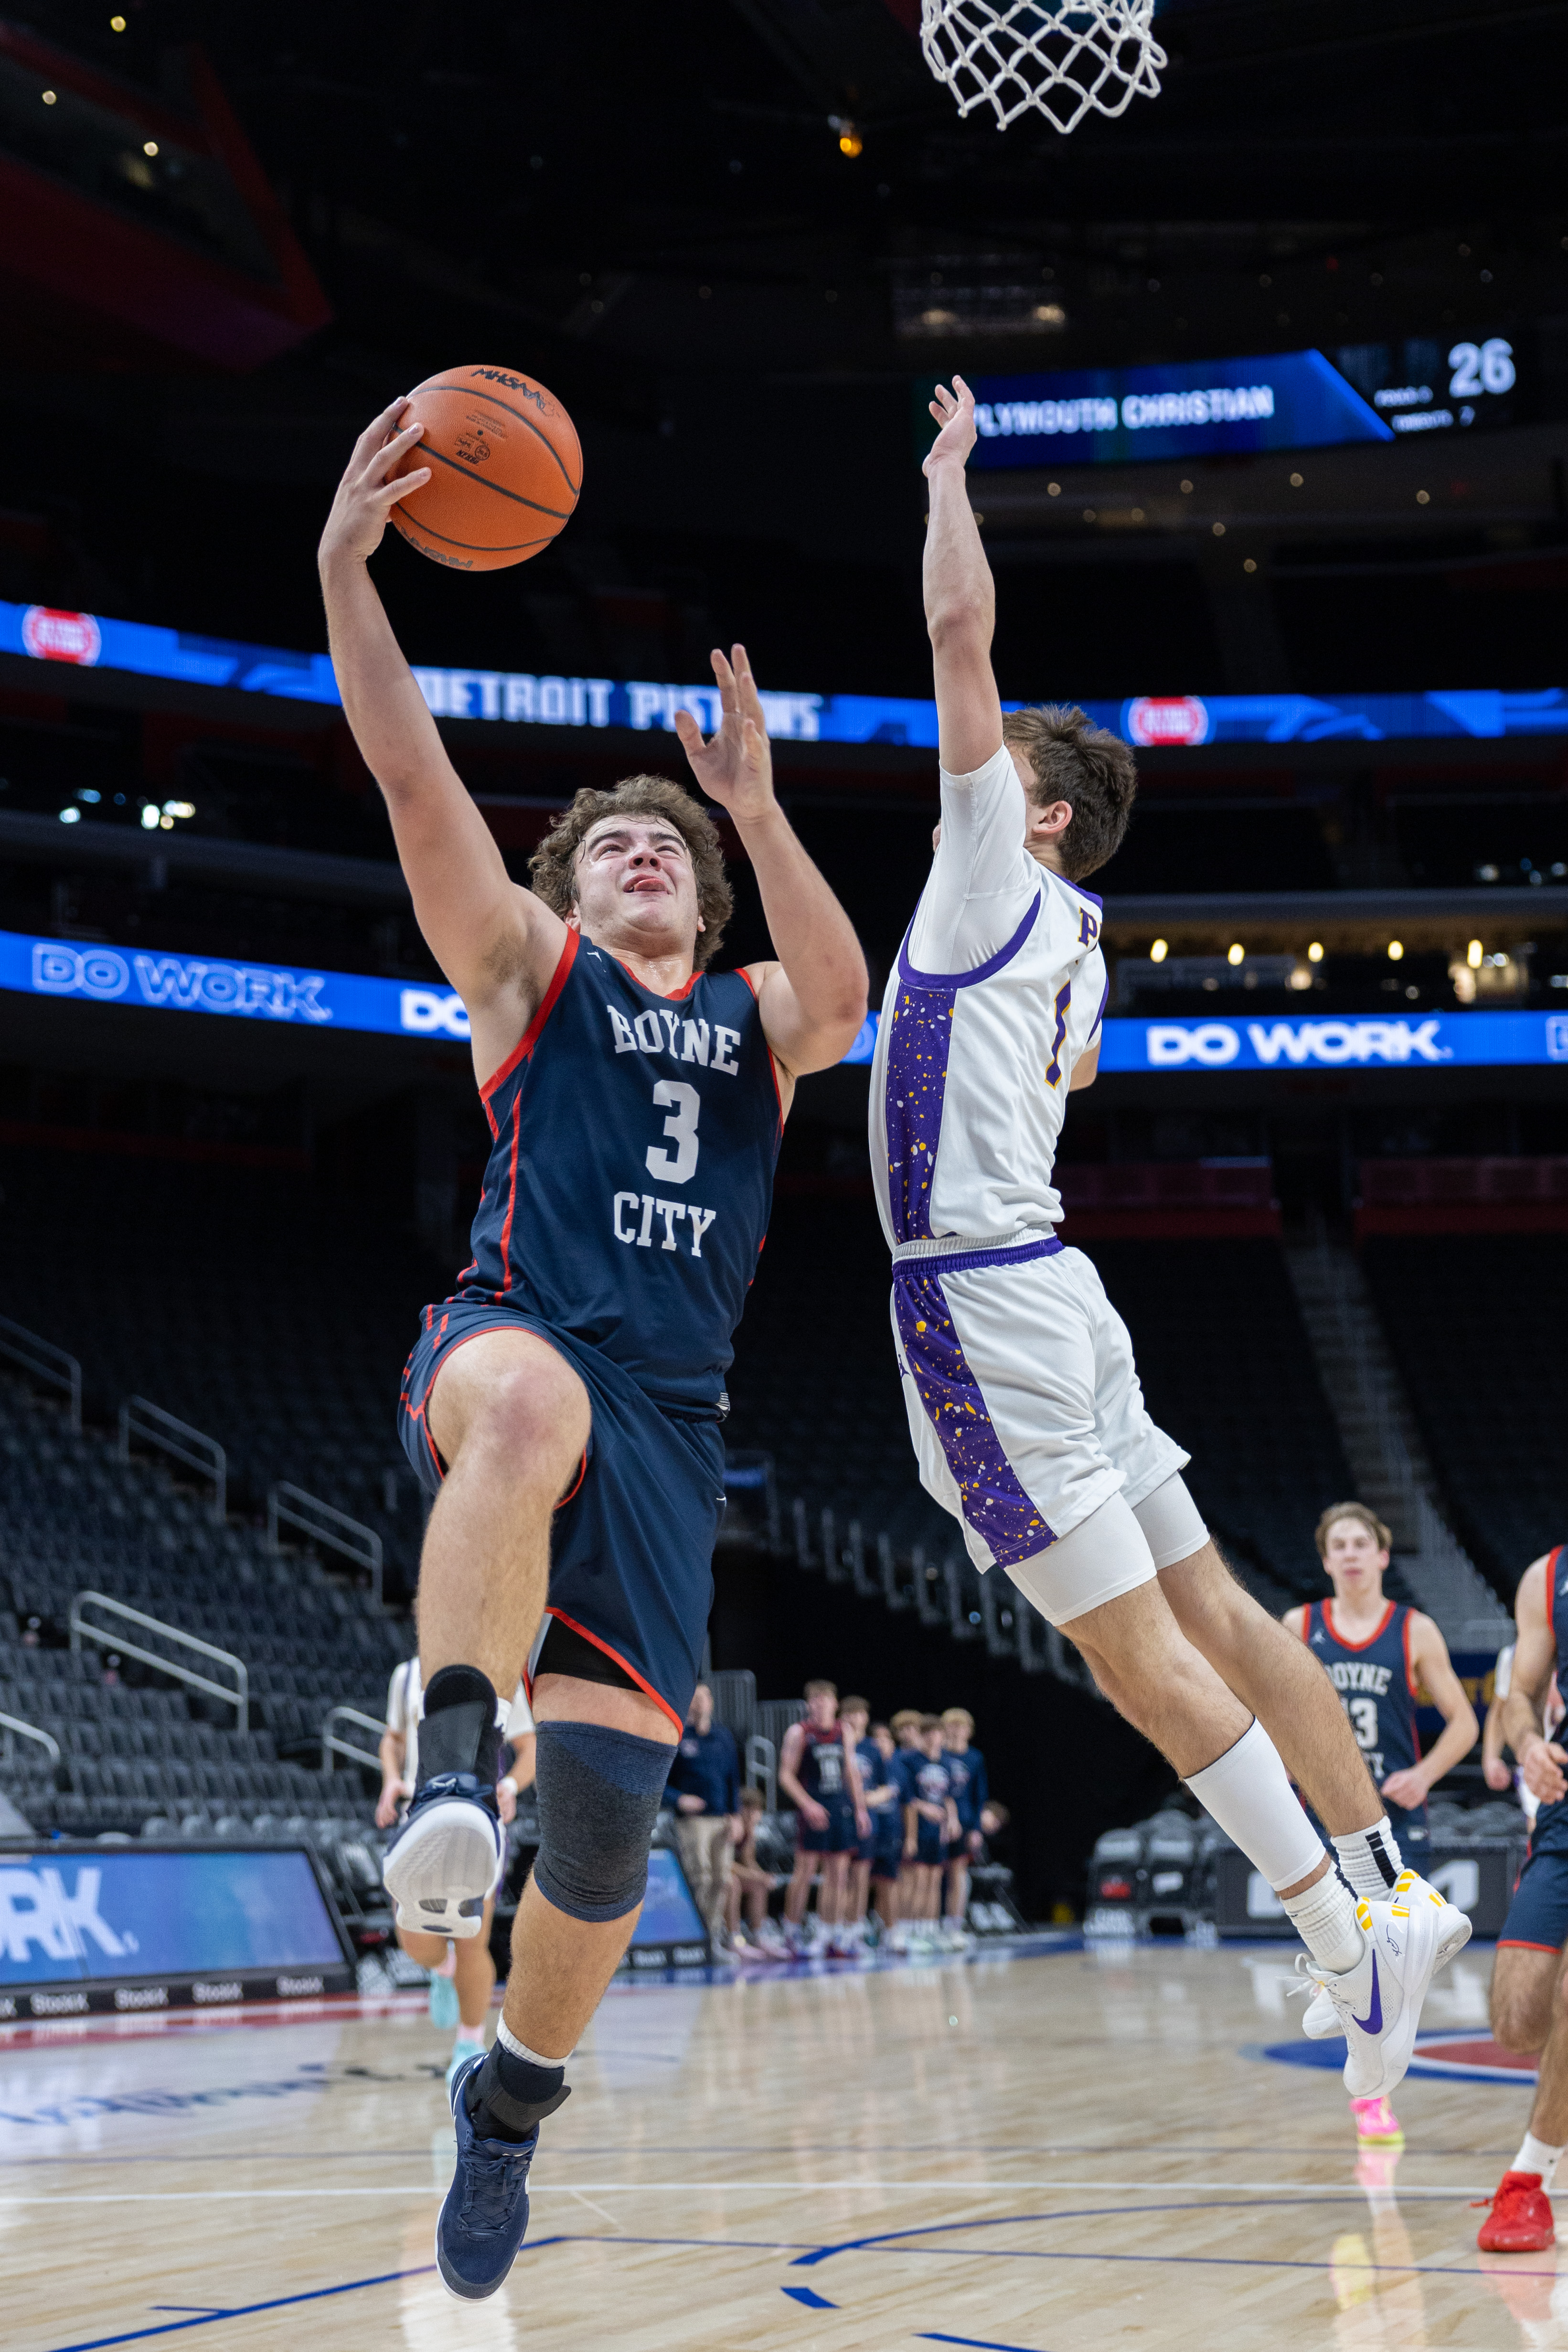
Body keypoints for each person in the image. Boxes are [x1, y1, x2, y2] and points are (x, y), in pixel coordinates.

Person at [319, 401, 868, 2302]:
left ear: (701, 900)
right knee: (528, 1399)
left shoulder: (751, 1019)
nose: (639, 850)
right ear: (568, 896)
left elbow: (846, 995)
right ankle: (451, 1762)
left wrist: (755, 806)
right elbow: (412, 782)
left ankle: (509, 2103)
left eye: (664, 846)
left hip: (672, 1428)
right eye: (610, 843)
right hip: (510, 1343)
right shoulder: (528, 973)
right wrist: (346, 575)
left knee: (614, 1844)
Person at [871, 372, 1467, 2101]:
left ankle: (1339, 1932)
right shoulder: (1079, 936)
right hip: (1057, 1286)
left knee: (1131, 1651)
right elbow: (1035, 1068)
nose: (965, 774)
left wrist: (948, 478)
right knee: (1209, 1602)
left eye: (997, 773)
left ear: (1039, 813)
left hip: (979, 1297)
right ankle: (1391, 1886)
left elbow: (958, 628)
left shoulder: (992, 868)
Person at [1283, 1502, 1479, 2146]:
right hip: (1321, 1811)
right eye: (1337, 1544)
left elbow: (1463, 1722)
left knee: (1384, 1954)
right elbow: (1273, 1712)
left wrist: (1423, 1775)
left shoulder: (1413, 1628)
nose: (1349, 1553)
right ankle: (1371, 2087)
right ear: (1324, 1559)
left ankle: (1373, 2085)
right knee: (1344, 1951)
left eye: (1359, 1543)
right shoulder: (1299, 1624)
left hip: (1392, 1814)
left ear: (1381, 1555)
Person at [377, 1655, 534, 2093]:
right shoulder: (406, 1675)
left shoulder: (502, 1672)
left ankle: (469, 2042)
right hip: (420, 1817)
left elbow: (529, 1748)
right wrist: (390, 1778)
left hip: (479, 1821)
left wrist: (509, 1785)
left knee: (472, 1940)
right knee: (413, 1937)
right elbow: (393, 1739)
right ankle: (441, 1968)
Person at [1476, 1541, 1568, 2254]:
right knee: (1515, 2020)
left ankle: (1527, 2181)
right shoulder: (1546, 1575)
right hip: (1563, 1808)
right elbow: (1518, 1698)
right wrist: (1529, 1746)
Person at [778, 1680, 871, 1956]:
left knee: (838, 1875)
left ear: (835, 1703)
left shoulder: (845, 1731)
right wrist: (808, 1805)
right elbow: (785, 1776)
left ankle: (827, 1934)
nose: (821, 1704)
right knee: (805, 1873)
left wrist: (861, 1809)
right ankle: (791, 1932)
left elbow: (851, 1773)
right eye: (815, 1699)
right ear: (809, 1704)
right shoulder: (799, 1732)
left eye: (826, 1699)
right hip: (812, 1807)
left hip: (840, 1807)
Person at [661, 1681, 740, 1945]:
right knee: (701, 1877)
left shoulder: (723, 1737)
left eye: (705, 1697)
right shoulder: (678, 1735)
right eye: (695, 1698)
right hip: (693, 1821)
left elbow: (733, 1778)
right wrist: (679, 1799)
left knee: (723, 1879)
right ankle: (693, 1934)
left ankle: (712, 1934)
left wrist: (736, 1816)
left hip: (722, 1818)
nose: (700, 1702)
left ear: (712, 1702)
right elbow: (660, 1781)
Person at [840, 1696, 898, 1943]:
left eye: (860, 1714)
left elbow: (887, 1787)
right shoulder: (837, 1744)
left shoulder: (873, 1750)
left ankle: (856, 1928)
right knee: (840, 1876)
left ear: (866, 1718)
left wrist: (867, 1799)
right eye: (850, 1714)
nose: (855, 1719)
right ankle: (838, 1928)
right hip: (842, 1818)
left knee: (862, 1876)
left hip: (867, 1820)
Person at [903, 1715, 961, 1949]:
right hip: (918, 1828)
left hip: (938, 1832)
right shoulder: (911, 1761)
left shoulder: (946, 1763)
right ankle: (912, 1930)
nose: (932, 1738)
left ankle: (930, 1929)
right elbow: (907, 1798)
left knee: (935, 1881)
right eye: (927, 1733)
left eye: (936, 1733)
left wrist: (953, 1820)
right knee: (918, 1881)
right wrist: (924, 1809)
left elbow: (949, 1797)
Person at [939, 1706, 988, 1937]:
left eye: (961, 1726)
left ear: (969, 1731)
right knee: (933, 1873)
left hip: (965, 1821)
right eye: (952, 1725)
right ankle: (931, 1922)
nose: (956, 1731)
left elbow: (980, 1796)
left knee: (958, 1873)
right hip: (939, 1821)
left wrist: (976, 1829)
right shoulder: (938, 1754)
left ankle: (954, 1925)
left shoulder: (975, 1758)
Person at [725, 1787, 779, 1955]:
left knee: (759, 1886)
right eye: (753, 1810)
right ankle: (734, 1938)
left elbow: (749, 1861)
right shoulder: (730, 1825)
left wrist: (762, 1876)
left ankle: (758, 1935)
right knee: (733, 1884)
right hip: (719, 1873)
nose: (757, 1815)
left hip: (735, 1872)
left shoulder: (750, 1831)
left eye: (758, 1810)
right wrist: (755, 1875)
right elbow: (726, 1864)